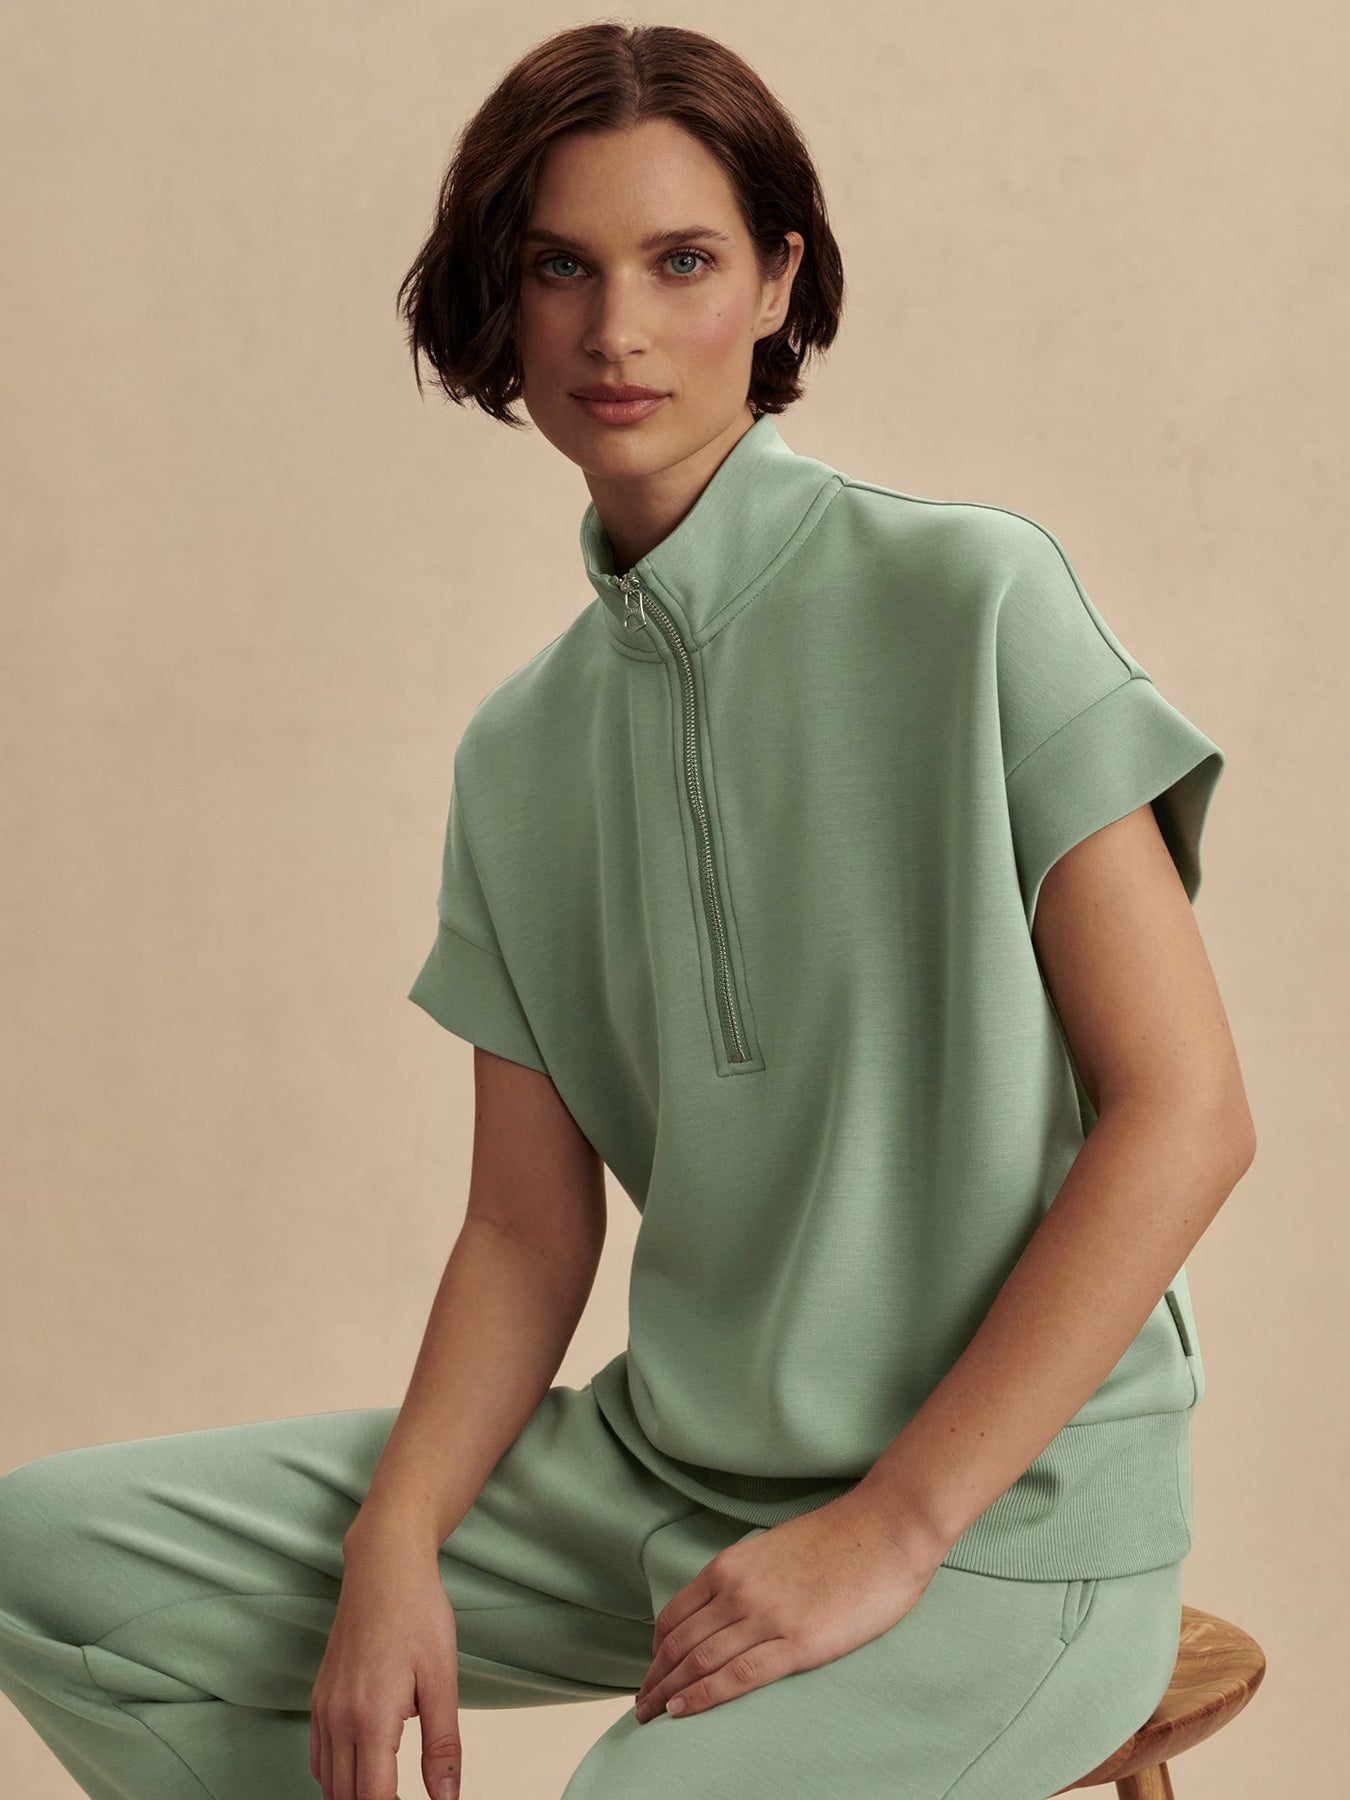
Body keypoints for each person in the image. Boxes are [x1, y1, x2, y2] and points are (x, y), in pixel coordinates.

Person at [0, 20, 1257, 1800]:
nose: (616, 331)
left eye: (681, 261)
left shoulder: (970, 600)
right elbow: (526, 1232)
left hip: (1001, 1517)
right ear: (501, 305)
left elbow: (1187, 1114)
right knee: (49, 1557)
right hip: (663, 1477)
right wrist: (390, 1550)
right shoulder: (520, 751)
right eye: (558, 268)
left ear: (775, 283)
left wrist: (892, 1523)